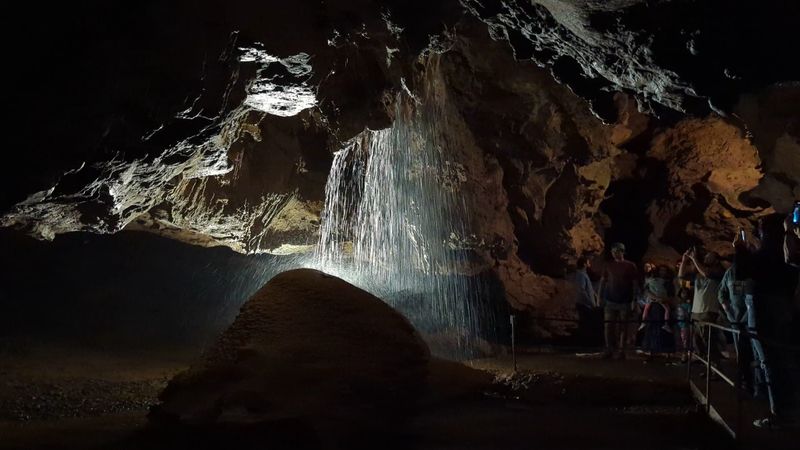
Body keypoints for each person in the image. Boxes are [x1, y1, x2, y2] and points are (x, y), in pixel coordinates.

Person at [719, 228, 778, 426]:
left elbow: (747, 291)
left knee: (759, 357)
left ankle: (760, 389)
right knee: (744, 355)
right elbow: (723, 294)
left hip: (752, 319)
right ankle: (747, 384)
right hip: (738, 320)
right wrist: (729, 311)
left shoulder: (755, 270)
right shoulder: (730, 273)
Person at [679, 247, 726, 363]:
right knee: (698, 343)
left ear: (716, 260)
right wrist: (684, 260)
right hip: (696, 312)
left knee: (709, 342)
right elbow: (681, 277)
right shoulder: (698, 273)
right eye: (705, 256)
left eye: (709, 256)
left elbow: (706, 273)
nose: (706, 257)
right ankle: (708, 368)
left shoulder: (719, 271)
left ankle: (716, 369)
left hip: (709, 311)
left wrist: (694, 259)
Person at [598, 242, 639, 359]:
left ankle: (621, 350)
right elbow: (602, 282)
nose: (614, 253)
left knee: (623, 327)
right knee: (608, 326)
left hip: (625, 300)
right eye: (613, 251)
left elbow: (634, 284)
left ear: (622, 252)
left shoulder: (630, 266)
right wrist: (599, 297)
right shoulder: (608, 265)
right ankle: (608, 349)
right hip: (610, 300)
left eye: (617, 251)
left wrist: (634, 300)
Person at [639, 265, 672, 333]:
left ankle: (666, 324)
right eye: (661, 270)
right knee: (646, 309)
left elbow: (671, 295)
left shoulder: (666, 282)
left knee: (667, 309)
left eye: (664, 270)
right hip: (653, 303)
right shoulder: (651, 280)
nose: (662, 272)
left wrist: (662, 298)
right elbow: (646, 290)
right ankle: (643, 322)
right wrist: (655, 297)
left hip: (661, 301)